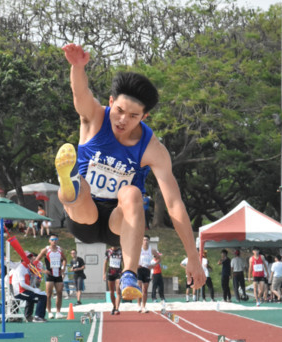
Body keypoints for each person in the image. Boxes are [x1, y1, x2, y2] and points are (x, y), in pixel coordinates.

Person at [55, 43, 206, 301]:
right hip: (84, 217)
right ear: (111, 102)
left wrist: (194, 256)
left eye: (133, 116)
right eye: (119, 110)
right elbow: (81, 94)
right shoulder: (95, 118)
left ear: (144, 117)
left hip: (119, 223)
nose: (123, 120)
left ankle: (129, 273)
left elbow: (174, 204)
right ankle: (69, 186)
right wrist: (77, 67)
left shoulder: (153, 149)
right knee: (81, 191)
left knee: (133, 192)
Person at [35, 234, 67, 319]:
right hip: (50, 274)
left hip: (58, 274)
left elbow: (65, 260)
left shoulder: (60, 249)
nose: (54, 241)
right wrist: (43, 270)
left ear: (58, 240)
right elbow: (36, 261)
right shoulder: (45, 250)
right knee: (48, 294)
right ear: (49, 241)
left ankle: (58, 312)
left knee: (59, 293)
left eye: (55, 239)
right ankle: (49, 312)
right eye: (52, 240)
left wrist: (63, 268)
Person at [11, 251, 47, 322]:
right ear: (24, 259)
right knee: (41, 297)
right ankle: (37, 317)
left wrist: (35, 288)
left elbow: (32, 279)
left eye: (31, 257)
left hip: (25, 290)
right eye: (28, 257)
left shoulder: (27, 267)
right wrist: (34, 290)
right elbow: (22, 284)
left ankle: (29, 316)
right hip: (20, 292)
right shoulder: (21, 268)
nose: (31, 259)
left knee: (41, 296)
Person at [137, 235, 160, 313]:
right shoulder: (139, 249)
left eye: (147, 240)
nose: (145, 241)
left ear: (149, 241)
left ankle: (144, 306)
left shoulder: (152, 250)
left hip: (147, 270)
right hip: (140, 269)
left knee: (145, 290)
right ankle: (138, 305)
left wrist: (153, 265)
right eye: (144, 240)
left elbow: (159, 258)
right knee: (139, 288)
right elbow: (133, 257)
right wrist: (136, 264)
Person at [103, 246, 123, 315]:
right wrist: (104, 274)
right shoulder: (108, 251)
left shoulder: (121, 251)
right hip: (110, 273)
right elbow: (105, 263)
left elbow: (124, 262)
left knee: (118, 291)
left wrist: (125, 271)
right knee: (111, 291)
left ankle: (117, 308)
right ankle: (114, 306)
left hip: (118, 273)